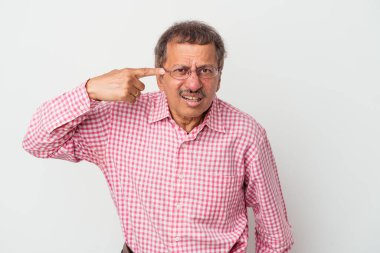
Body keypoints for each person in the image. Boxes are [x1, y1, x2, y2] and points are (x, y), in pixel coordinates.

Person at [22, 20, 293, 253]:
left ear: (219, 78)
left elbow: (275, 235)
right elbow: (37, 141)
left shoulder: (247, 134)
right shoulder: (118, 121)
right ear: (160, 77)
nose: (194, 83)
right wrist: (90, 90)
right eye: (180, 70)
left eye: (206, 70)